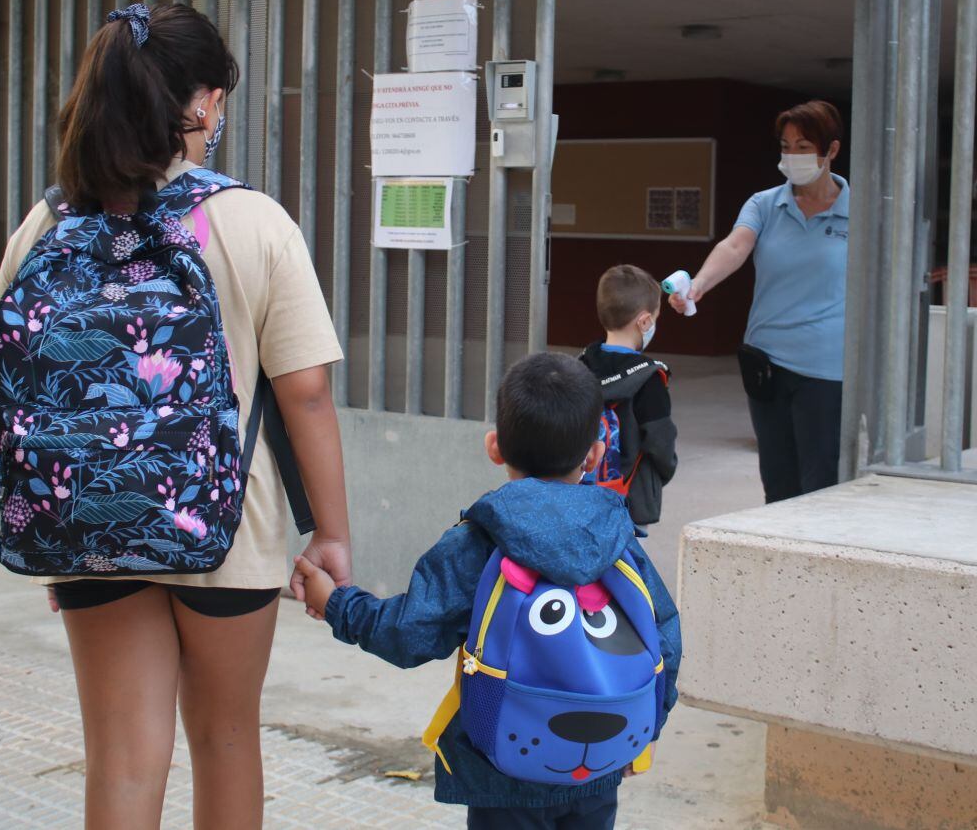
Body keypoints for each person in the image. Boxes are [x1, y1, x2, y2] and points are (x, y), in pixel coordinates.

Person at [0, 3, 351, 829]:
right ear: (201, 104)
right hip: (232, 530)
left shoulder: (44, 225)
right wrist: (329, 533)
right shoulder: (253, 221)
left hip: (89, 522)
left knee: (121, 755)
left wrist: (57, 517)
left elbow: (19, 390)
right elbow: (306, 395)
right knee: (226, 740)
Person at [294, 352, 681, 830]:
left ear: (495, 447)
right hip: (599, 768)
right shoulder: (619, 537)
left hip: (502, 769)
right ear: (596, 454)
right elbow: (662, 632)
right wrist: (645, 726)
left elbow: (409, 632)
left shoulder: (480, 540)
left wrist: (336, 603)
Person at [668, 100, 848, 503]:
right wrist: (698, 285)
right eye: (786, 146)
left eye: (803, 146)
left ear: (831, 150)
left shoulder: (858, 213)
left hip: (825, 368)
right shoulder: (765, 204)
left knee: (821, 481)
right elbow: (735, 246)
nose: (792, 156)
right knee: (778, 478)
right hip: (766, 363)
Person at [579, 265, 677, 526]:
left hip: (579, 494)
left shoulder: (579, 366)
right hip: (630, 500)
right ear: (644, 321)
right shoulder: (650, 378)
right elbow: (661, 442)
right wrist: (657, 478)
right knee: (626, 565)